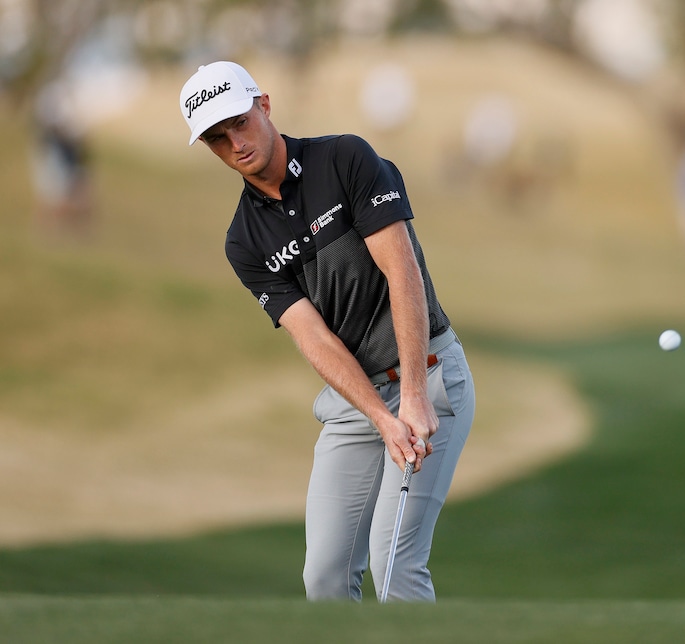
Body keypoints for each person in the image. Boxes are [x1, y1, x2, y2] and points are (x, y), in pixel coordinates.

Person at [179, 61, 475, 602]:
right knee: (324, 580)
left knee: (394, 566)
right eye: (218, 140)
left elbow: (401, 271)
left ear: (264, 105)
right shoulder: (244, 241)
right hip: (358, 405)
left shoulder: (344, 158)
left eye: (240, 123)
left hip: (426, 375)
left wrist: (409, 397)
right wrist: (381, 417)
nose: (235, 144)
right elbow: (313, 337)